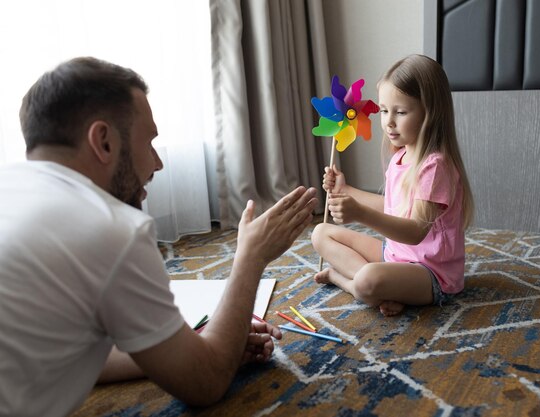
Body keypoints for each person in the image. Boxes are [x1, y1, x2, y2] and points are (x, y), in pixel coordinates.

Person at [0, 57, 317, 417]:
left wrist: (189, 346)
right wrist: (251, 256)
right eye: (149, 142)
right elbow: (206, 381)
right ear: (103, 141)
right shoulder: (110, 229)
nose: (157, 162)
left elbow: (58, 352)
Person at [312, 54, 474, 316]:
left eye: (400, 112)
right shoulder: (401, 155)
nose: (388, 121)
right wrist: (346, 190)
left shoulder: (435, 166)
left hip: (431, 273)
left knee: (367, 280)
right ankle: (391, 290)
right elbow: (393, 207)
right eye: (384, 110)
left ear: (430, 113)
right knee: (321, 233)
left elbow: (415, 232)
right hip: (395, 255)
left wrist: (360, 214)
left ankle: (343, 279)